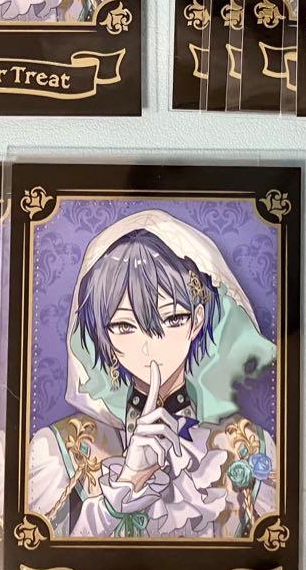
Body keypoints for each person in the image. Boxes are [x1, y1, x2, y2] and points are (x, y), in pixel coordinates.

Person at [28, 210, 278, 539]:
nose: (149, 346)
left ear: (197, 320)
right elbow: (40, 561)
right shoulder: (64, 448)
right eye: (124, 326)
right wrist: (127, 484)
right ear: (102, 335)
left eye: (172, 319)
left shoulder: (247, 445)